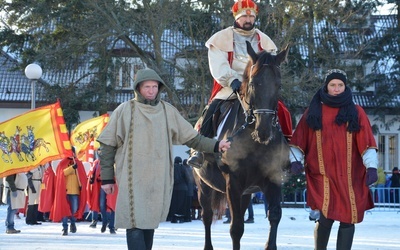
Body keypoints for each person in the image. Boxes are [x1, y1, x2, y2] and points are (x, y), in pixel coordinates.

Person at [97, 68, 231, 250]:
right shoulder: (125, 110)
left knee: (149, 222)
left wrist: (216, 145)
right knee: (134, 221)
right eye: (147, 87)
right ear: (138, 88)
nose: (151, 90)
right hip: (132, 179)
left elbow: (192, 138)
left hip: (157, 179)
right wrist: (106, 178)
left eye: (154, 87)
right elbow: (107, 145)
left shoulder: (168, 111)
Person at [188, 0, 293, 168]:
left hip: (257, 88)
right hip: (231, 85)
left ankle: (287, 150)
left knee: (281, 109)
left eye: (251, 17)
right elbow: (218, 64)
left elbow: (271, 66)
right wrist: (231, 80)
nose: (248, 20)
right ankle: (199, 151)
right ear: (237, 17)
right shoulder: (221, 38)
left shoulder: (264, 40)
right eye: (244, 16)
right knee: (212, 109)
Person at [289, 69, 378, 250]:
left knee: (348, 218)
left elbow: (367, 142)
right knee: (325, 216)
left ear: (345, 87)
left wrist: (372, 167)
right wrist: (295, 160)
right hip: (322, 176)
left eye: (340, 85)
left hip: (350, 178)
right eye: (333, 85)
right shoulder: (313, 111)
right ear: (326, 86)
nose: (336, 89)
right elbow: (300, 139)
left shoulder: (357, 112)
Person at [50, 151, 88, 236]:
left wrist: (81, 185)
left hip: (75, 191)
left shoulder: (78, 163)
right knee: (64, 210)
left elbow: (82, 177)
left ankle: (73, 223)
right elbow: (62, 173)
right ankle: (65, 227)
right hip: (65, 191)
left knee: (74, 210)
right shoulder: (63, 163)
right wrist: (72, 168)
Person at [87, 156, 117, 234]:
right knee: (102, 205)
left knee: (112, 206)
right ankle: (104, 221)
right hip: (102, 186)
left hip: (113, 185)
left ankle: (111, 227)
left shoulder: (114, 161)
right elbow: (93, 173)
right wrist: (94, 178)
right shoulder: (97, 162)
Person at [167, 156, 188, 223]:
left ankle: (173, 217)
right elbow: (187, 178)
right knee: (182, 204)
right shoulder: (183, 168)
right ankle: (181, 217)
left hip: (174, 188)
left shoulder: (172, 168)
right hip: (183, 188)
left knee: (174, 203)